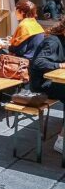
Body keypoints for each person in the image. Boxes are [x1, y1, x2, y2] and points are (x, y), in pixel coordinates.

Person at [30, 18, 65, 154]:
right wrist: (59, 65)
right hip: (41, 84)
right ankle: (61, 140)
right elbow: (38, 63)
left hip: (54, 81)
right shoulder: (52, 41)